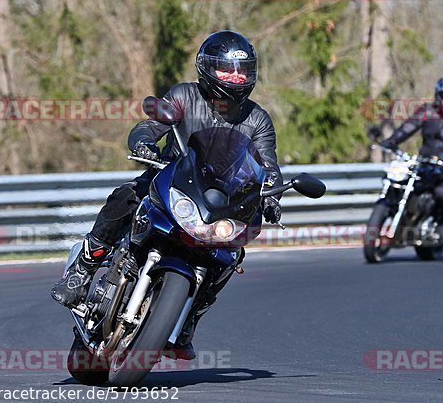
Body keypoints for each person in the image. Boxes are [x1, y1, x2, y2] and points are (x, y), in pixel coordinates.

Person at [51, 30, 283, 358]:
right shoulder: (184, 96)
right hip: (171, 181)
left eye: (241, 70)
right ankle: (83, 269)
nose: (234, 77)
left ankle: (190, 317)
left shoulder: (257, 119)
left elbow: (268, 164)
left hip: (219, 202)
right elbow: (151, 125)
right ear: (207, 69)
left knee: (231, 255)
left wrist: (272, 194)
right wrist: (144, 142)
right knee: (127, 196)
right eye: (226, 69)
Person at [380, 75, 443, 223]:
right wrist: (392, 140)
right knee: (400, 183)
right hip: (424, 164)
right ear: (438, 96)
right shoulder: (427, 111)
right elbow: (409, 126)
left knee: (442, 193)